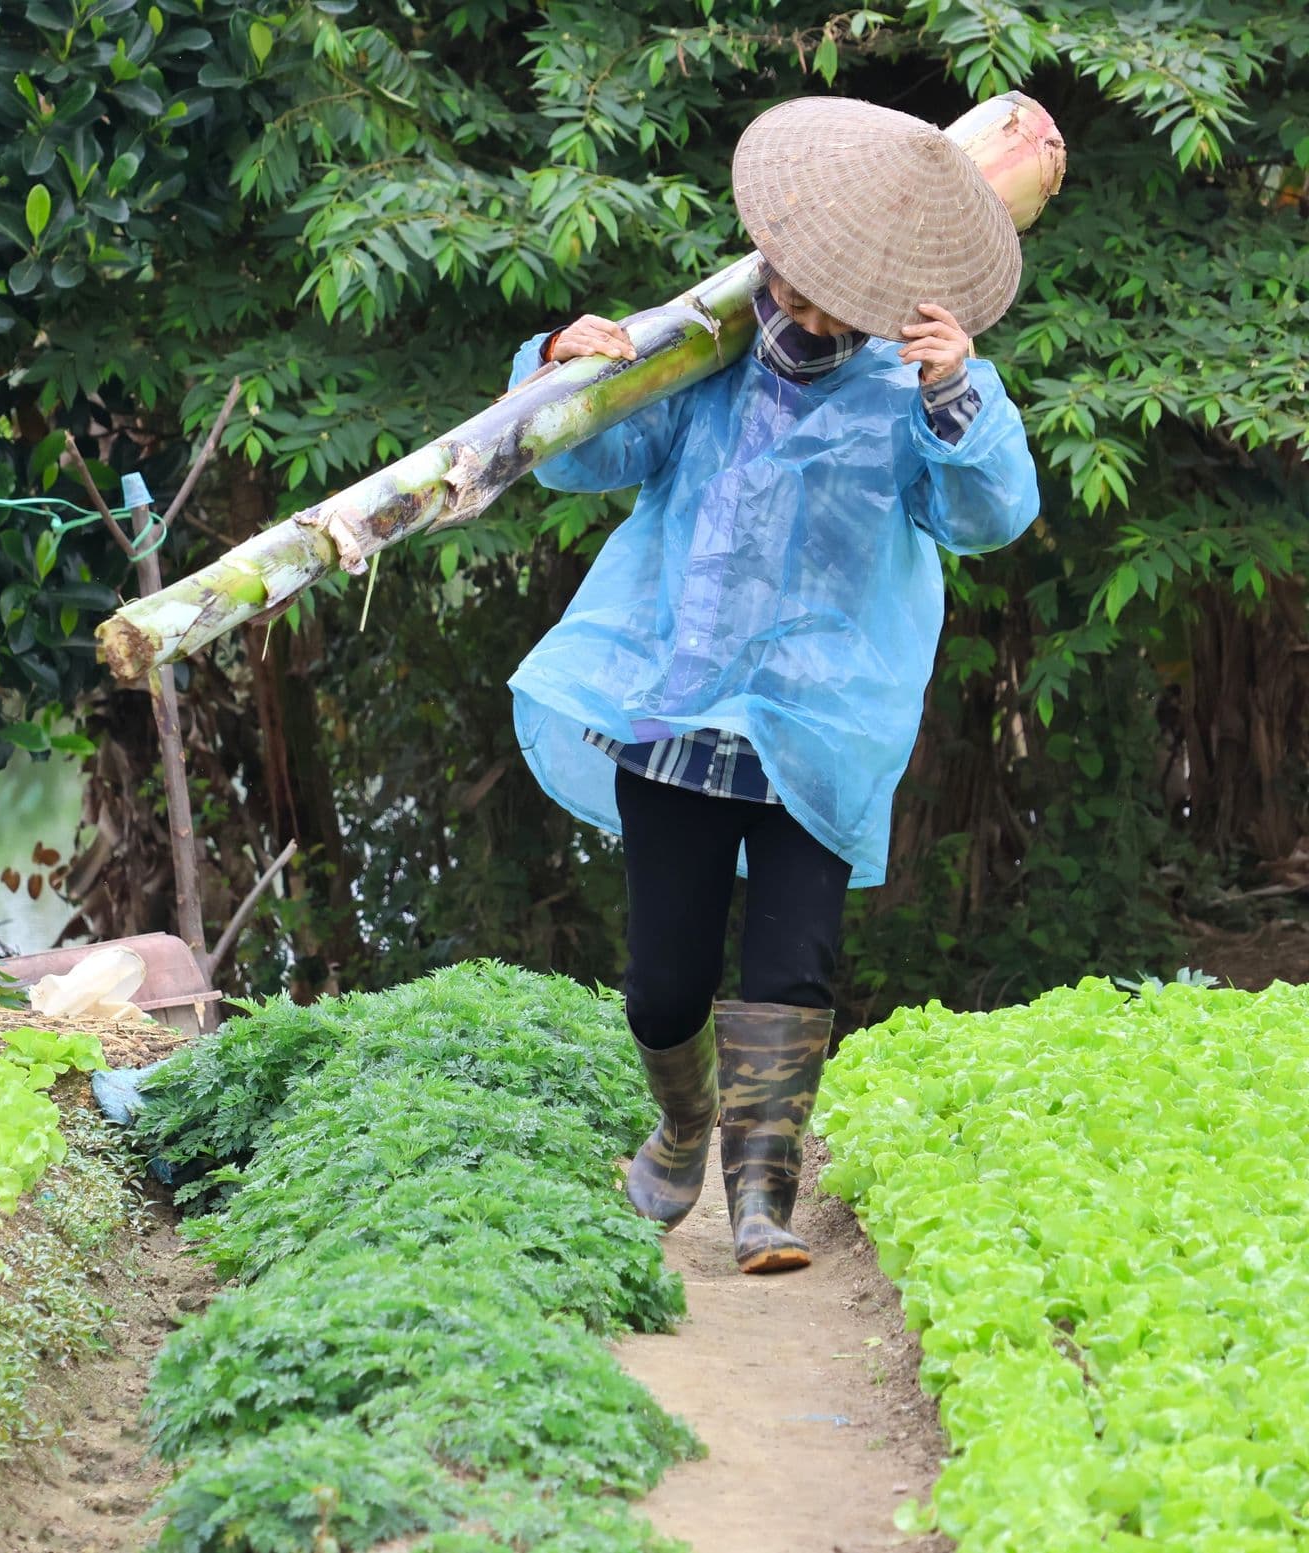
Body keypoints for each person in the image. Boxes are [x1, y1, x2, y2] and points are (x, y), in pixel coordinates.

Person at [506, 97, 1040, 1274]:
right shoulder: (698, 365)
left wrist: (960, 391)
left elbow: (989, 517)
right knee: (661, 984)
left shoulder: (914, 391)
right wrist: (560, 363)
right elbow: (578, 459)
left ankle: (761, 1197)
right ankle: (684, 1123)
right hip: (674, 710)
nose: (795, 320)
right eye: (784, 295)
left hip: (819, 730)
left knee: (793, 964)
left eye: (822, 308)